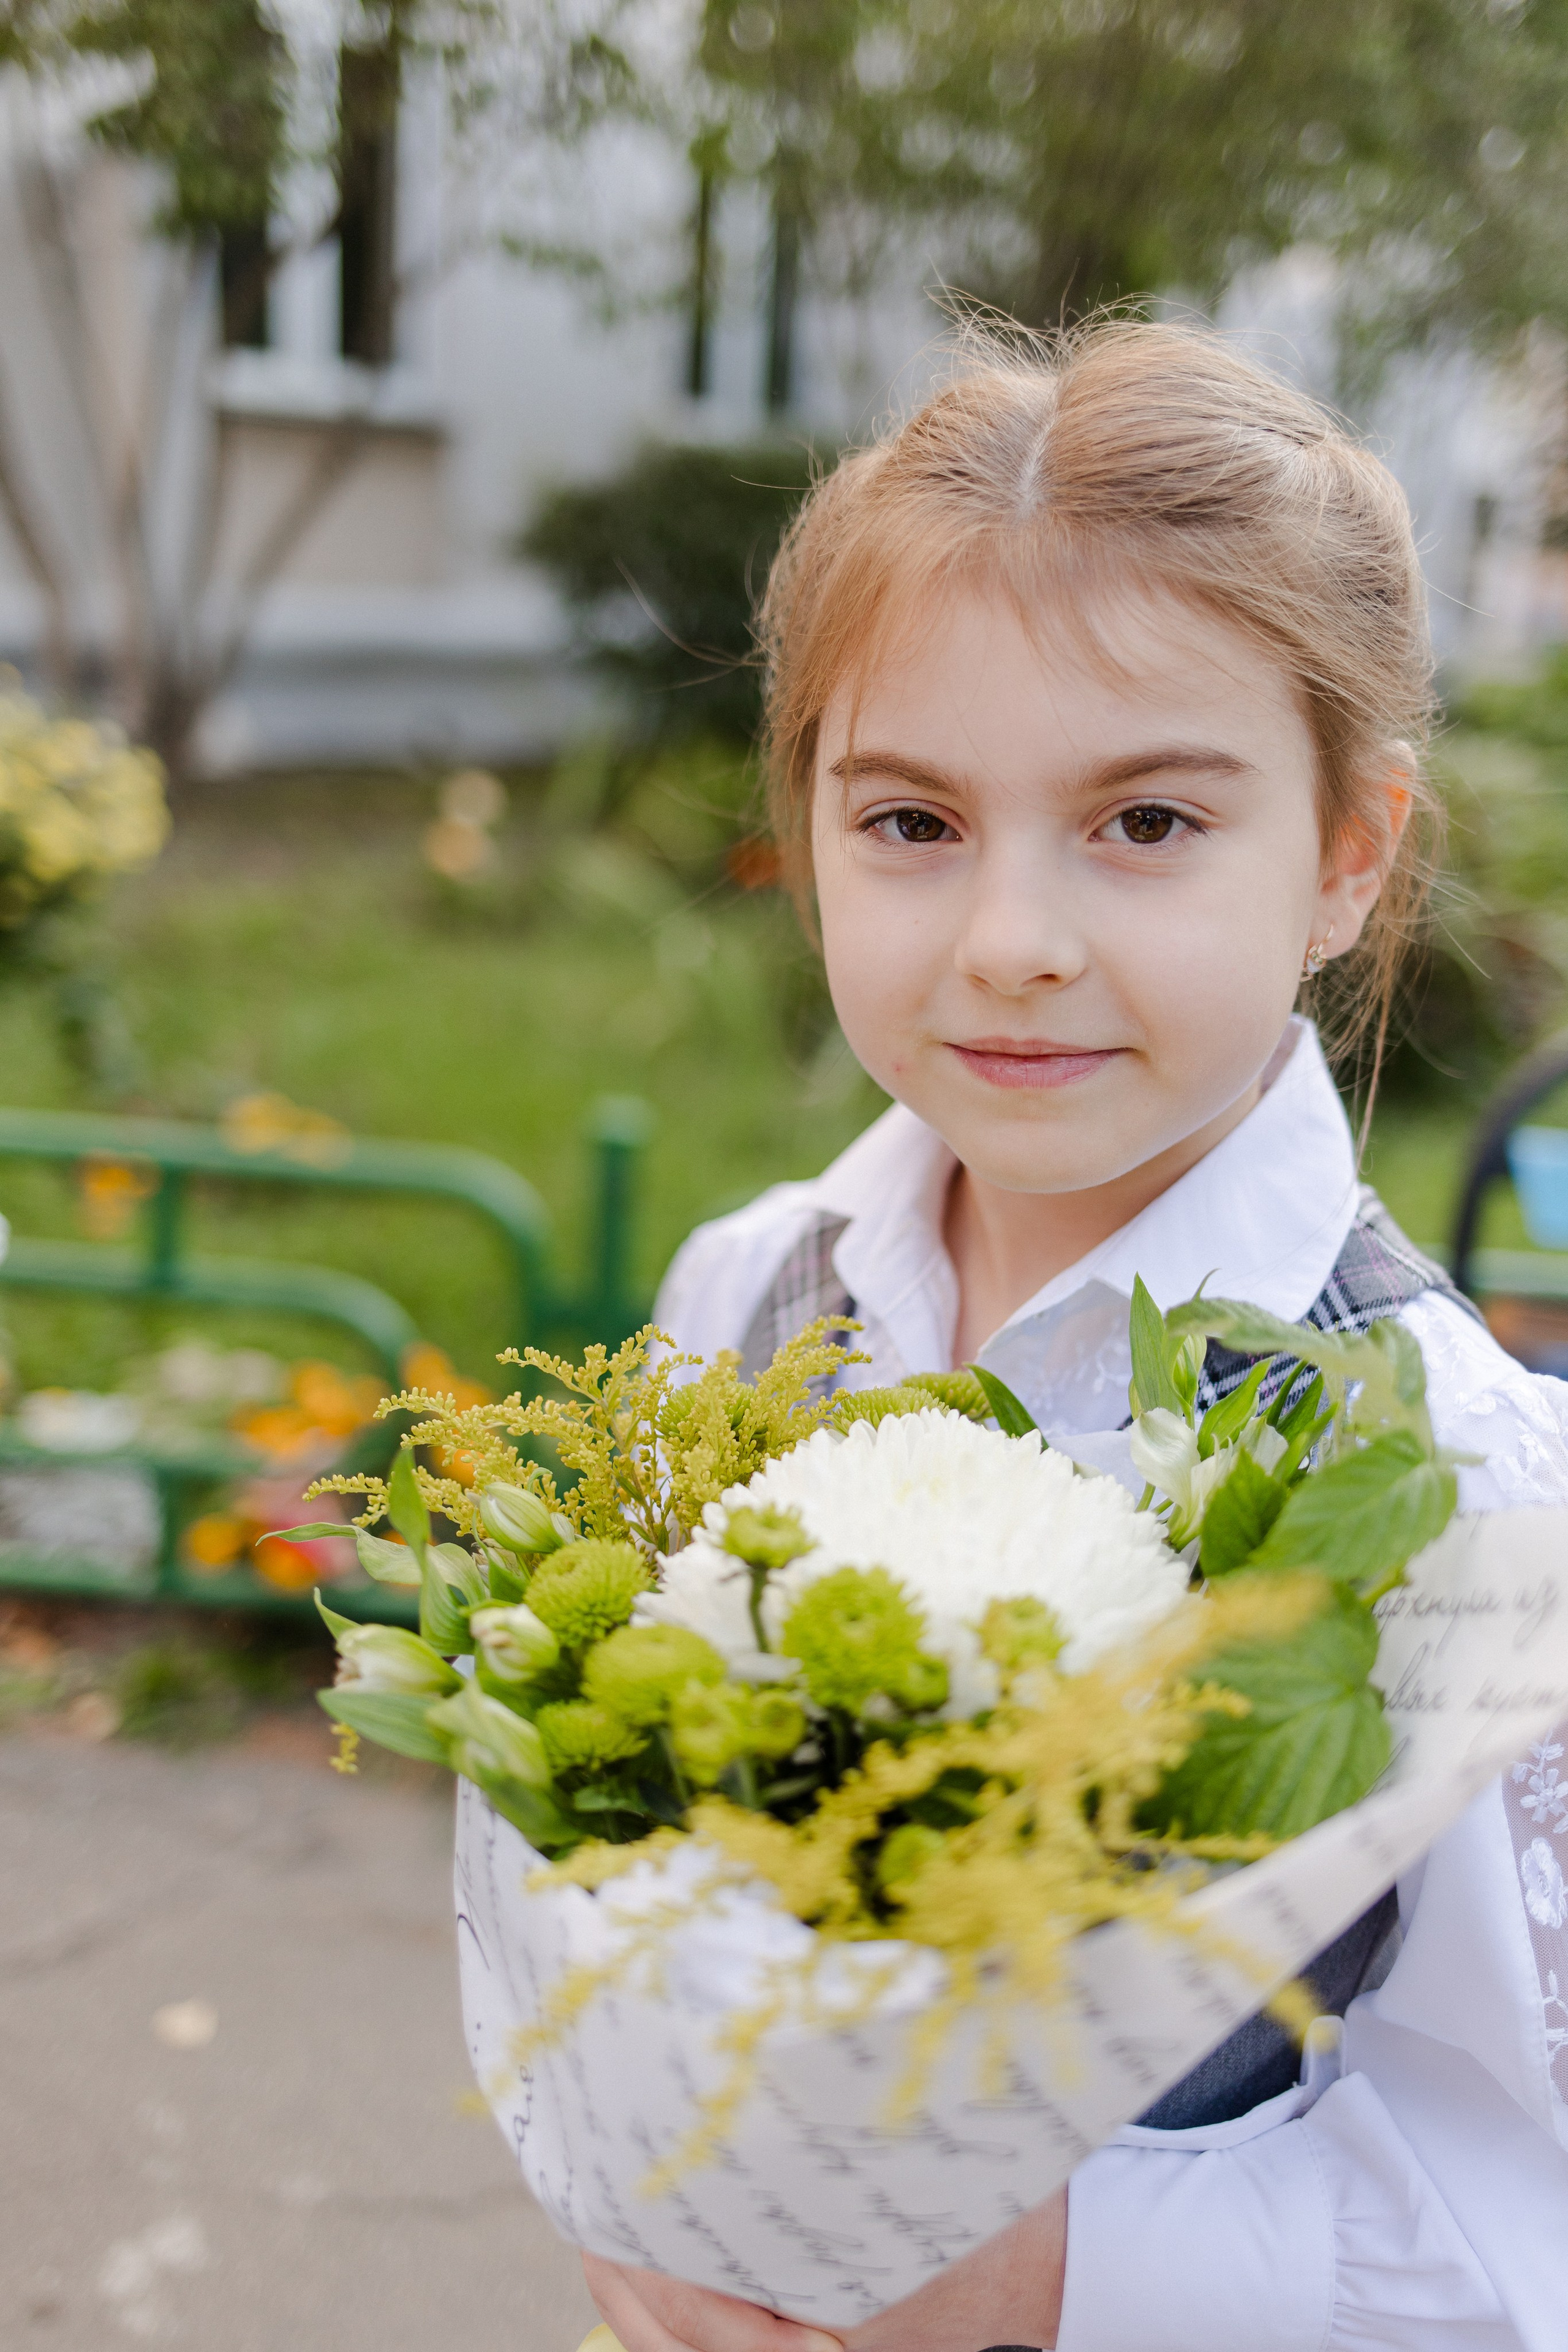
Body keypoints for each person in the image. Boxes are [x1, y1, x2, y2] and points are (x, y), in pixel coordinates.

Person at [580, 322, 1568, 2352]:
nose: (1012, 936)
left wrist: (1053, 2274)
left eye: (1145, 824)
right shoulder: (746, 1296)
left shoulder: (1468, 1487)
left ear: (1347, 854)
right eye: (913, 824)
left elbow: (1520, 2226)